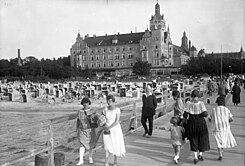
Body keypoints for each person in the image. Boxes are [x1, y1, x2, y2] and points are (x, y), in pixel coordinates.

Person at [183, 89, 210, 164]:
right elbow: (205, 114)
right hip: (201, 124)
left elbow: (185, 114)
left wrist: (184, 122)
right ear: (198, 97)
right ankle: (200, 154)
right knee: (201, 139)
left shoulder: (188, 103)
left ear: (191, 96)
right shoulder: (201, 103)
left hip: (192, 124)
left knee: (193, 140)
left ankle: (195, 157)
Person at [209, 96, 237, 161]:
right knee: (223, 140)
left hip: (216, 128)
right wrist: (227, 121)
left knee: (218, 142)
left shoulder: (213, 110)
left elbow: (210, 118)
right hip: (225, 128)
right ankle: (222, 150)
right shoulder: (226, 109)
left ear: (217, 103)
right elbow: (231, 119)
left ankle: (220, 155)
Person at [76, 97, 101, 166]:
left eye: (87, 103)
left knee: (91, 144)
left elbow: (97, 119)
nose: (85, 104)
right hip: (82, 130)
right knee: (82, 144)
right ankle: (81, 160)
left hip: (90, 130)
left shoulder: (92, 111)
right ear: (82, 103)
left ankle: (90, 157)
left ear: (88, 103)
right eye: (84, 103)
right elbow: (78, 121)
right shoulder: (79, 112)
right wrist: (77, 129)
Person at [102, 94, 126, 166]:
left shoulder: (117, 109)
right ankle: (106, 162)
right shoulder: (105, 109)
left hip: (115, 129)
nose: (109, 102)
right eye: (107, 101)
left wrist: (109, 127)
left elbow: (116, 121)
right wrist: (104, 125)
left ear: (113, 101)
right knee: (106, 145)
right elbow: (102, 119)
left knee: (115, 143)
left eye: (110, 101)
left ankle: (115, 161)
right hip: (106, 128)